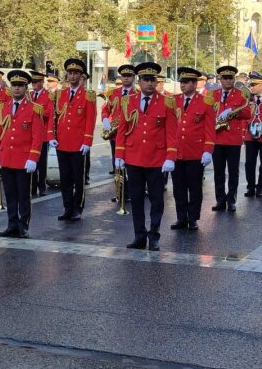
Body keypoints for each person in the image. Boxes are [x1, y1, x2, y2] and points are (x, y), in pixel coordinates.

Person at [115, 62, 177, 251]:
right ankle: (139, 236)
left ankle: (154, 235)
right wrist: (119, 154)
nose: (149, 84)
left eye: (153, 80)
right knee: (136, 199)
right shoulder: (127, 101)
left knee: (157, 200)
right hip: (134, 157)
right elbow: (122, 130)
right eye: (146, 80)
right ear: (139, 81)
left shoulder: (167, 102)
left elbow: (172, 132)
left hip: (157, 159)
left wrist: (170, 157)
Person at [0, 70, 45, 238]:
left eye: (20, 85)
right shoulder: (2, 108)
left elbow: (37, 136)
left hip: (23, 159)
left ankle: (23, 225)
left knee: (23, 195)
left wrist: (33, 158)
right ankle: (11, 224)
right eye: (14, 85)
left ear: (26, 88)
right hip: (6, 158)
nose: (17, 88)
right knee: (10, 194)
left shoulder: (34, 109)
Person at [50, 58, 96, 221]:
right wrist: (51, 136)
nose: (72, 76)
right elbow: (53, 118)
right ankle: (67, 207)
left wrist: (87, 141)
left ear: (81, 75)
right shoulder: (59, 95)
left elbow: (90, 120)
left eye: (76, 73)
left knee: (78, 178)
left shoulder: (88, 95)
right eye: (70, 73)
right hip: (62, 142)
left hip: (78, 144)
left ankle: (77, 208)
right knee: (65, 179)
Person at [171, 67, 215, 231]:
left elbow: (209, 128)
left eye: (187, 82)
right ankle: (181, 217)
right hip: (177, 151)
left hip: (195, 151)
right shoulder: (173, 100)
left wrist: (208, 150)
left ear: (195, 84)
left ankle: (193, 218)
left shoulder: (206, 101)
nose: (183, 85)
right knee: (178, 187)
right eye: (181, 82)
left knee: (195, 187)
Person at [209, 65, 250, 212]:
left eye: (230, 78)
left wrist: (232, 112)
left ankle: (231, 200)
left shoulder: (241, 94)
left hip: (233, 139)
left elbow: (247, 113)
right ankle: (220, 200)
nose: (227, 81)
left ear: (234, 79)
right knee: (218, 172)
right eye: (225, 78)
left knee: (233, 172)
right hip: (217, 138)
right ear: (220, 79)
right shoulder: (212, 95)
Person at [101, 65, 137, 196]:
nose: (126, 78)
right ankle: (120, 193)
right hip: (116, 135)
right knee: (116, 163)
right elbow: (105, 109)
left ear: (133, 77)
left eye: (129, 76)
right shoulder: (113, 93)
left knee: (132, 165)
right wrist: (105, 119)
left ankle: (133, 192)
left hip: (132, 134)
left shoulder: (138, 93)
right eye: (124, 76)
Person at [29, 70, 55, 197]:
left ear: (41, 82)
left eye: (36, 82)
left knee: (41, 163)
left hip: (43, 134)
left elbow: (49, 113)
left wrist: (36, 110)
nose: (33, 84)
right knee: (30, 160)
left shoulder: (48, 96)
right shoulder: (29, 94)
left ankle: (42, 186)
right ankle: (32, 186)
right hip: (29, 134)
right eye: (32, 82)